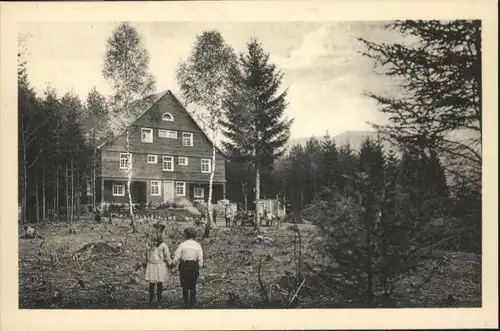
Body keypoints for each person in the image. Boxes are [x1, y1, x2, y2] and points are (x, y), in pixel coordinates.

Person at [172, 227, 204, 308]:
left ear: (186, 235)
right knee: (193, 286)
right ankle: (192, 303)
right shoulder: (197, 245)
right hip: (194, 266)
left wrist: (173, 263)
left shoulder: (182, 245)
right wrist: (198, 266)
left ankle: (186, 303)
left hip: (184, 266)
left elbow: (177, 256)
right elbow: (200, 259)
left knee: (185, 286)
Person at [144, 226, 173, 307]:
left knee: (151, 284)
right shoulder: (163, 245)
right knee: (159, 283)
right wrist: (170, 264)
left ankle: (150, 300)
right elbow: (167, 256)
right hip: (160, 265)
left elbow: (145, 255)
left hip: (151, 265)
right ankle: (159, 300)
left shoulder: (148, 244)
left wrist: (145, 263)